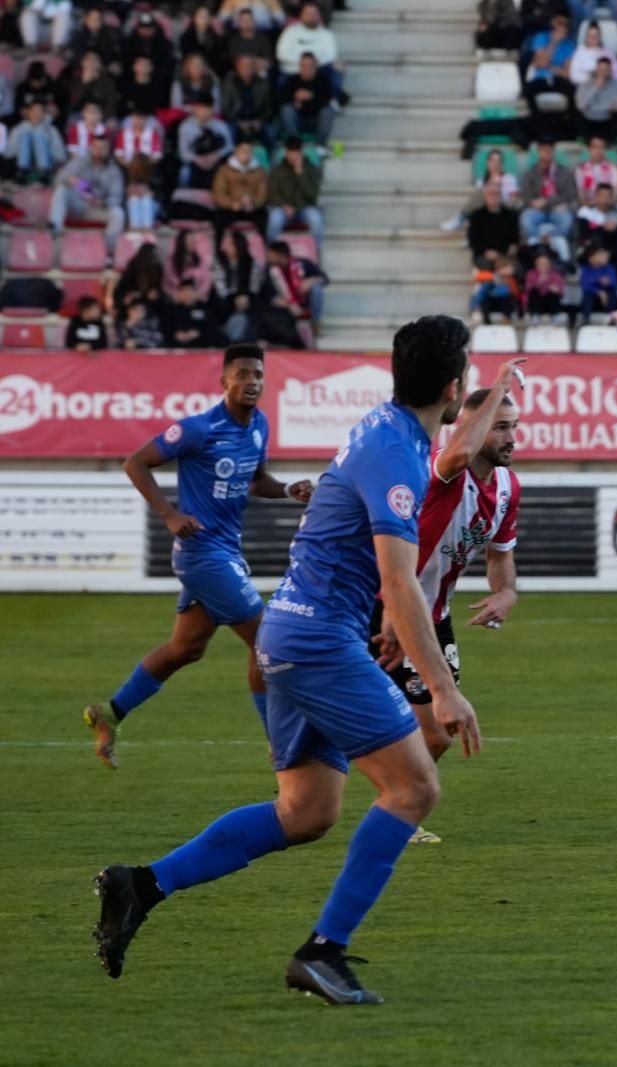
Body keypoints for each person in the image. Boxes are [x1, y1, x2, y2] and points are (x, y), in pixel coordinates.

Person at [92, 319, 483, 1006]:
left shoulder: (386, 428)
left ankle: (141, 884)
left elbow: (363, 556)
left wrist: (384, 621)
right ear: (452, 387)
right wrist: (445, 688)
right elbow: (398, 579)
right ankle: (322, 952)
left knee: (306, 811)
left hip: (293, 629)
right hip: (316, 640)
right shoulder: (397, 453)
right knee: (416, 786)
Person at [82, 345, 314, 769]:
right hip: (202, 553)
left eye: (258, 375)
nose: (252, 382)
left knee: (186, 648)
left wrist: (285, 491)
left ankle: (109, 714)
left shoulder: (259, 425)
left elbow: (256, 480)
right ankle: (281, 744)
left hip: (225, 550)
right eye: (242, 374)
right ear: (224, 380)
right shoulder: (198, 429)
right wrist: (168, 513)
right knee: (267, 641)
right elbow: (135, 463)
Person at [370, 370, 524, 846]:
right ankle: (391, 808)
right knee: (419, 724)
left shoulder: (507, 489)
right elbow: (458, 451)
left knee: (437, 734)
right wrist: (497, 388)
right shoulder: (442, 469)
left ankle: (397, 806)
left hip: (433, 616)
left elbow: (501, 557)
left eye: (513, 426)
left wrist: (505, 592)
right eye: (499, 426)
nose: (510, 437)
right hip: (385, 610)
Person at [50, 131, 125, 256]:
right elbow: (58, 179)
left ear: (108, 150)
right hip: (77, 204)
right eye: (96, 147)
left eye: (103, 148)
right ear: (91, 147)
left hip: (97, 208)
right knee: (62, 190)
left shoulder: (114, 170)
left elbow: (116, 196)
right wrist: (68, 180)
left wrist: (103, 203)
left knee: (118, 214)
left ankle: (108, 253)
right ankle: (54, 230)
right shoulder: (79, 161)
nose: (99, 150)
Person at [265, 137, 325, 250]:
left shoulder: (311, 169)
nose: (293, 157)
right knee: (274, 220)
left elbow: (313, 195)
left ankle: (316, 253)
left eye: (296, 154)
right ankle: (272, 253)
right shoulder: (277, 170)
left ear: (301, 153)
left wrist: (300, 174)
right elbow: (271, 193)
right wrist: (283, 205)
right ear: (286, 153)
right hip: (283, 208)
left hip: (304, 207)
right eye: (290, 154)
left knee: (316, 219)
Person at [212, 138, 269, 244]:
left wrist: (253, 203)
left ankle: (266, 251)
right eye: (243, 151)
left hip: (252, 208)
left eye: (249, 151)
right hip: (231, 207)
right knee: (219, 220)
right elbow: (219, 193)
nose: (246, 154)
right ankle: (218, 252)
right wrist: (232, 204)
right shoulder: (224, 170)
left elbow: (262, 194)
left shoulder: (260, 171)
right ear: (236, 152)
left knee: (264, 220)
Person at [280, 52, 336, 146]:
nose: (307, 69)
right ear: (300, 67)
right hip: (297, 121)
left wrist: (310, 97)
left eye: (310, 66)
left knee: (328, 111)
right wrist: (295, 99)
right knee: (287, 110)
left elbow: (326, 101)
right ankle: (295, 146)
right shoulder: (293, 80)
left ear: (316, 67)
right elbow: (281, 99)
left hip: (316, 122)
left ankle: (320, 146)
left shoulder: (323, 81)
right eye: (304, 66)